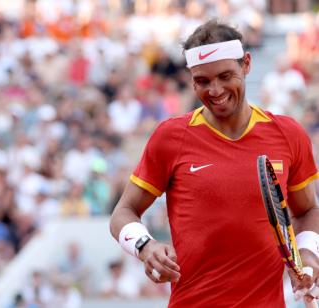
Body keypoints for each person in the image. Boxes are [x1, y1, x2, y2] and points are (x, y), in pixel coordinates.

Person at [110, 19, 319, 307]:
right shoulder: (171, 137)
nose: (215, 90)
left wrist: (308, 255)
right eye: (202, 81)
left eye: (225, 76)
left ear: (246, 64)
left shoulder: (288, 134)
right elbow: (123, 212)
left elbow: (307, 210)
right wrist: (145, 247)